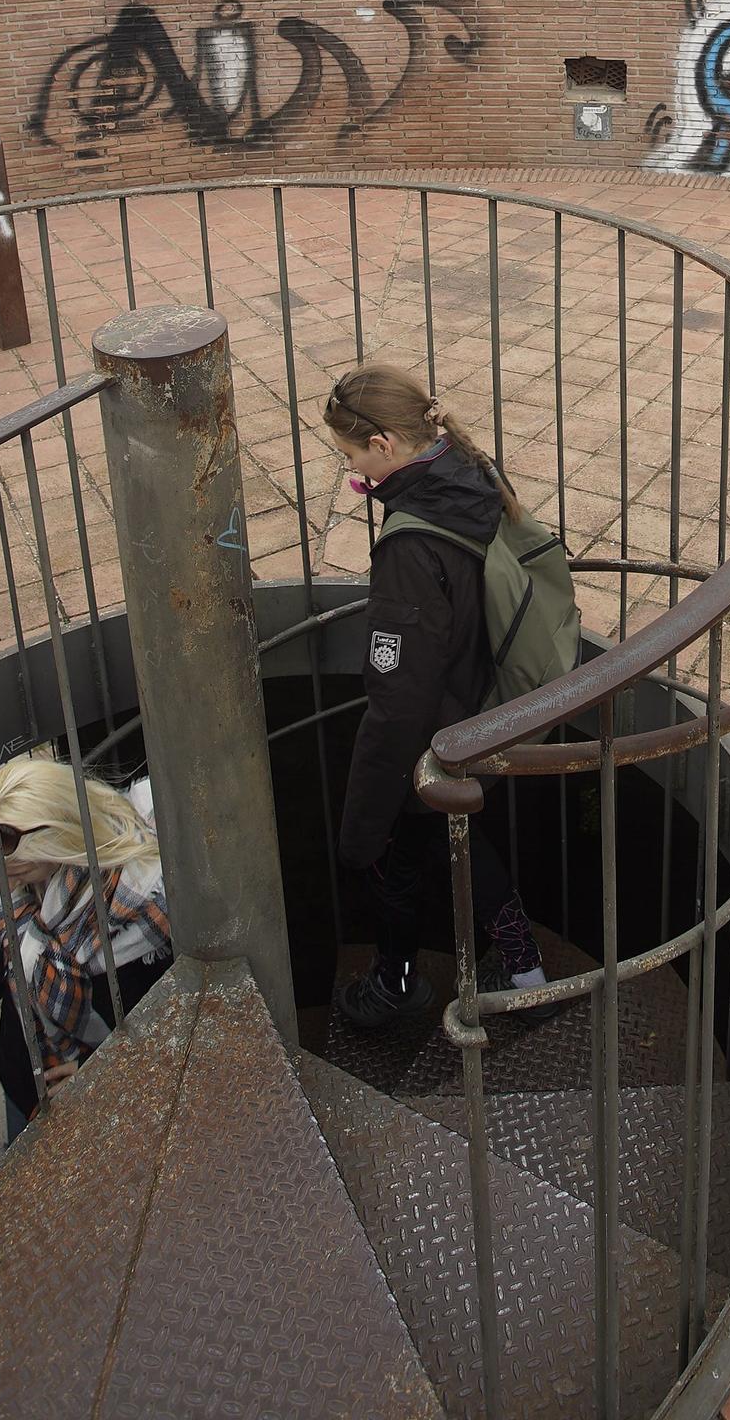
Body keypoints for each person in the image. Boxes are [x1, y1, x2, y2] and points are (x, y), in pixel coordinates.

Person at [325, 364, 555, 1029]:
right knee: (453, 835)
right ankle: (525, 969)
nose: (352, 472)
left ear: (384, 447)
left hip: (442, 725)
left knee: (392, 852)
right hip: (491, 696)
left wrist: (359, 819)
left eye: (351, 456)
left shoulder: (408, 550)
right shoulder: (470, 469)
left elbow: (398, 701)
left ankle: (397, 985)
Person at [0, 755, 171, 1141]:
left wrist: (107, 1070)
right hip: (24, 1076)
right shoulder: (25, 878)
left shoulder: (144, 900)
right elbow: (0, 950)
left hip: (115, 1097)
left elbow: (166, 1013)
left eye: (10, 869)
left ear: (61, 840)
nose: (0, 879)